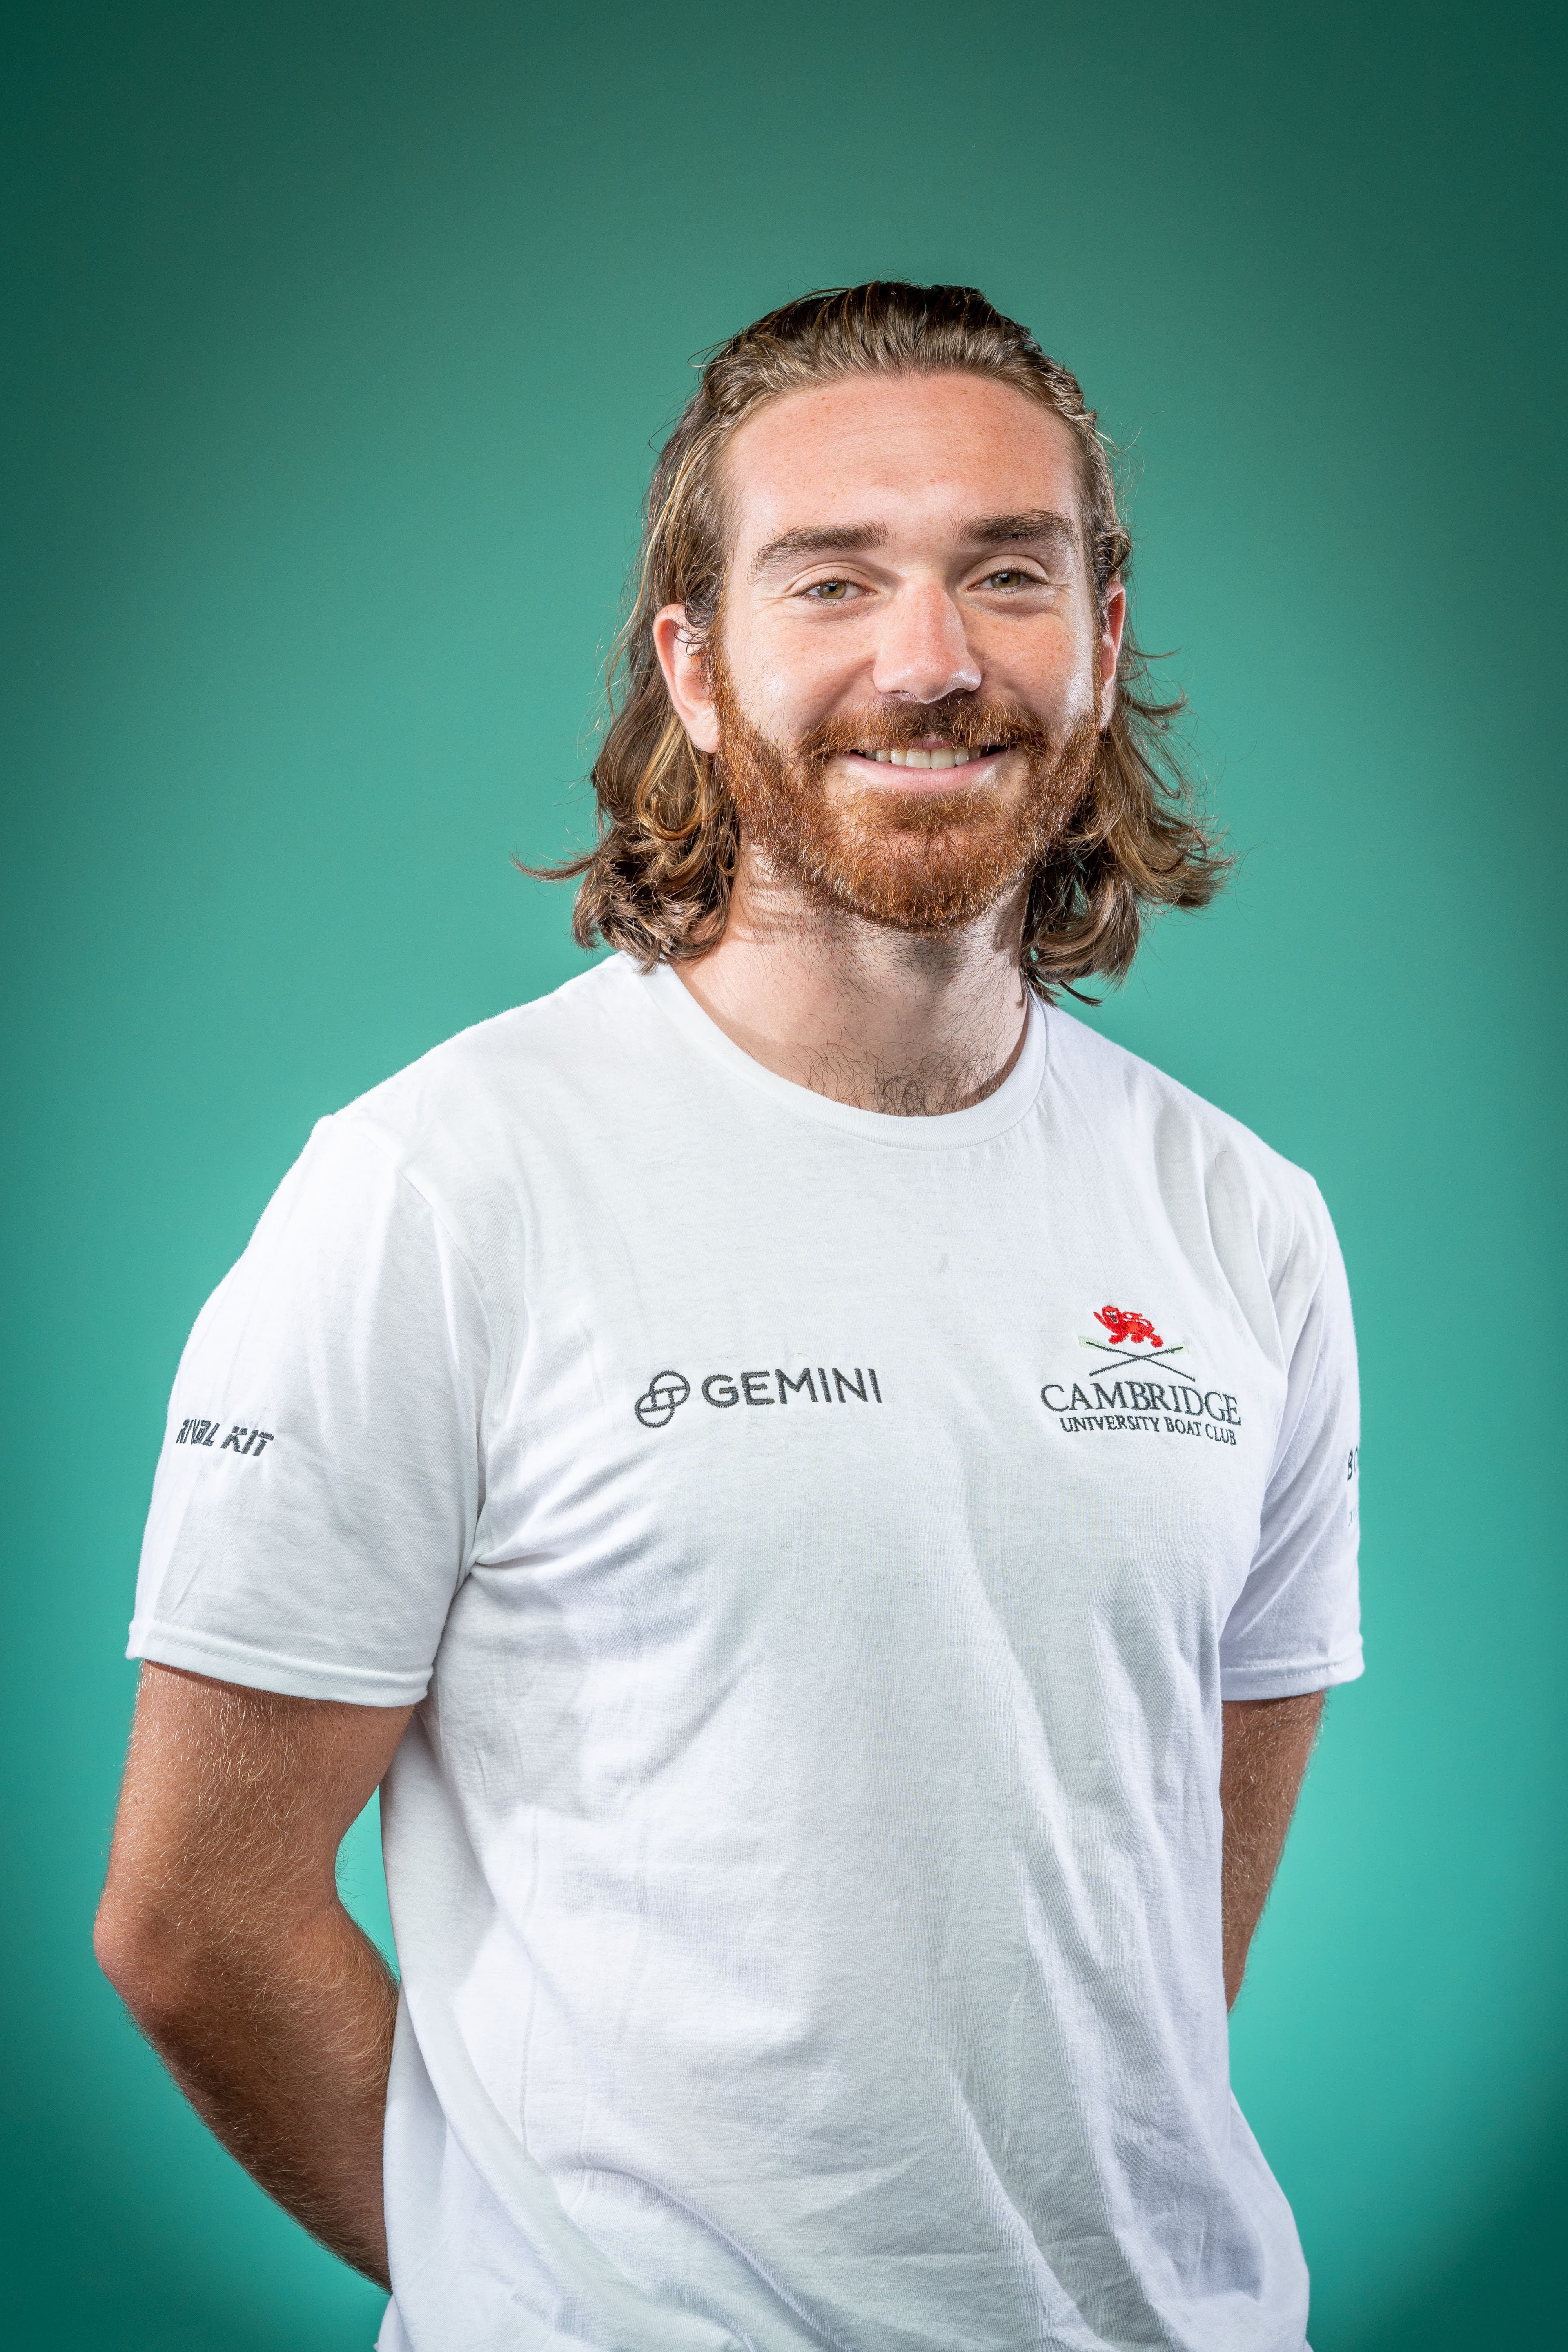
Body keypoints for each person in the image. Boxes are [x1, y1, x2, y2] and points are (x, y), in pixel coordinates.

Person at [96, 282, 1363, 2352]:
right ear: (694, 669)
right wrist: (540, 2290)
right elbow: (191, 1919)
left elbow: (1154, 1938)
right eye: (833, 579)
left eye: (1008, 574)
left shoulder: (1246, 1225)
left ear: (1102, 638)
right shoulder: (440, 1190)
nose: (932, 660)